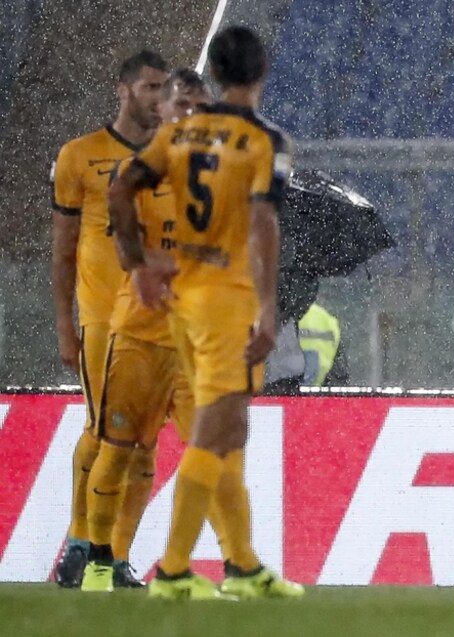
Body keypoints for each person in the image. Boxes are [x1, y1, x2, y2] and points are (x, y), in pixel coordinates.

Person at [108, 25, 303, 601]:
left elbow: (121, 189)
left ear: (214, 73)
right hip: (228, 306)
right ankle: (172, 570)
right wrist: (267, 308)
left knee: (229, 432)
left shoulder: (181, 132)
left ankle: (242, 565)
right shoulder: (265, 140)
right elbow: (263, 224)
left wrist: (138, 263)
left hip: (183, 304)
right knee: (217, 432)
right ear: (262, 70)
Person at [79, 69, 251, 593]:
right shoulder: (135, 176)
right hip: (139, 334)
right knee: (119, 448)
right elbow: (125, 245)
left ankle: (230, 569)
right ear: (164, 111)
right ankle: (101, 564)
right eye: (183, 106)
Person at [50, 49, 169, 588]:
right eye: (149, 87)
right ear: (123, 90)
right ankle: (80, 545)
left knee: (145, 443)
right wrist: (65, 325)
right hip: (102, 317)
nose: (158, 98)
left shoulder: (175, 159)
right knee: (104, 432)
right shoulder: (79, 156)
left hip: (156, 322)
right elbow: (63, 249)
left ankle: (116, 557)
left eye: (163, 88)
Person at [299, 303, 350, 386]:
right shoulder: (328, 320)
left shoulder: (286, 317)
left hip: (287, 388)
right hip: (323, 387)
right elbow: (340, 372)